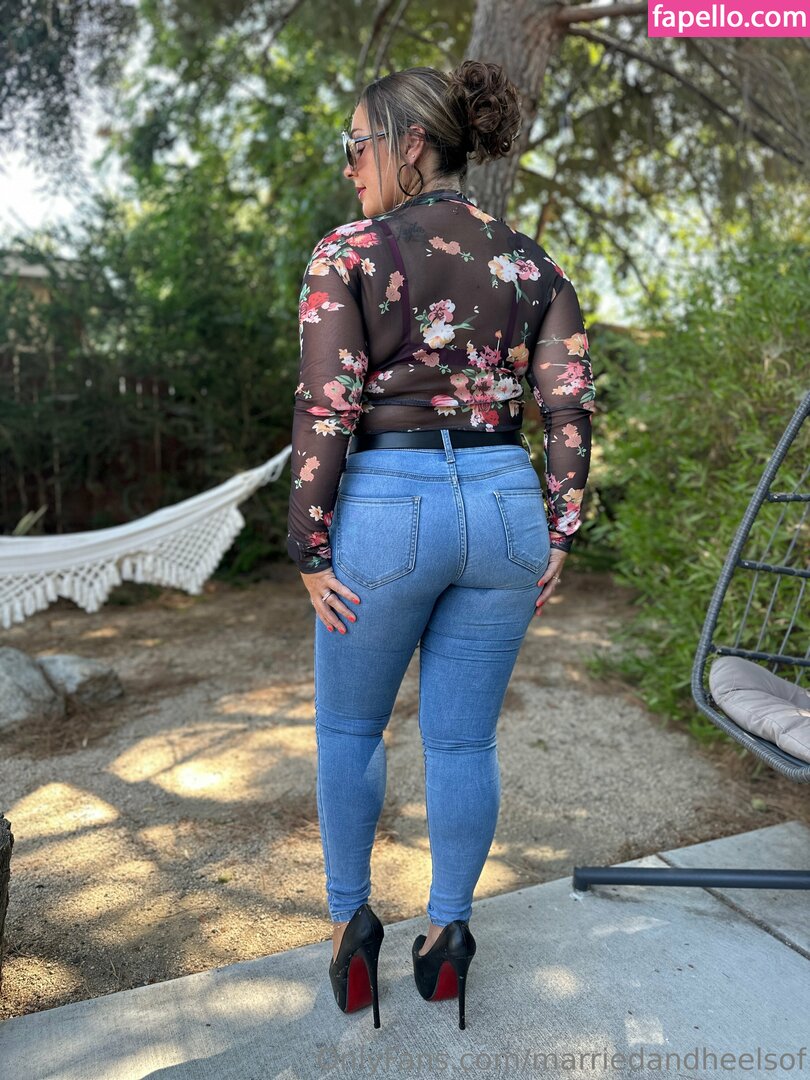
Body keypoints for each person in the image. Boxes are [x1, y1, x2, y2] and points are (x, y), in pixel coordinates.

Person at [286, 59, 597, 1030]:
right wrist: (561, 527)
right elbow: (569, 408)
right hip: (505, 507)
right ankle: (449, 936)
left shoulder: (350, 253)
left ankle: (352, 933)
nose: (350, 166)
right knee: (464, 739)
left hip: (388, 505)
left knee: (350, 730)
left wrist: (309, 546)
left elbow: (327, 405)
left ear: (409, 143)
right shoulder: (535, 266)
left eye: (357, 145)